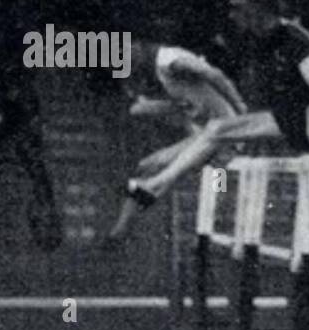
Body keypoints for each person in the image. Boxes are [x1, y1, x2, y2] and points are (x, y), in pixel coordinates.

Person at [113, 0, 309, 227]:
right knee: (216, 130)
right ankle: (154, 186)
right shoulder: (255, 38)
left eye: (238, 10)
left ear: (256, 9)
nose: (232, 16)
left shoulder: (289, 38)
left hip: (308, 109)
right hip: (280, 116)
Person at [107, 39, 250, 240]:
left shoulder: (170, 60)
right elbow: (164, 105)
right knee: (148, 166)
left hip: (226, 132)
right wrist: (157, 106)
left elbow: (214, 75)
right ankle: (119, 233)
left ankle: (219, 220)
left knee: (215, 179)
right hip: (206, 135)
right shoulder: (157, 74)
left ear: (137, 49)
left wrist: (241, 108)